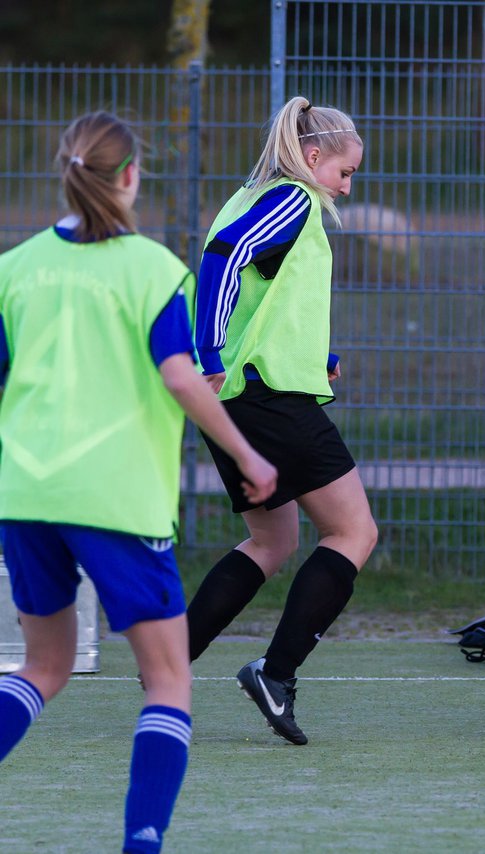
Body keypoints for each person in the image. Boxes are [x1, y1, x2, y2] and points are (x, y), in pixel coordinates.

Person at [0, 112, 276, 853]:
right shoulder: (153, 268)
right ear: (129, 178)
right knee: (167, 681)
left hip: (24, 496)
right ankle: (142, 844)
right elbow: (180, 376)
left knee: (44, 666)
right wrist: (248, 456)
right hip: (114, 498)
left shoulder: (15, 266)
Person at [184, 96, 378, 746]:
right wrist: (209, 350)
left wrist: (313, 355)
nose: (348, 187)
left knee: (271, 542)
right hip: (267, 397)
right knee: (353, 532)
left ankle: (168, 663)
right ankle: (277, 672)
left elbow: (265, 292)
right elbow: (226, 259)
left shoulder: (254, 193)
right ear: (314, 156)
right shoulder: (294, 199)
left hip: (246, 395)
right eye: (345, 173)